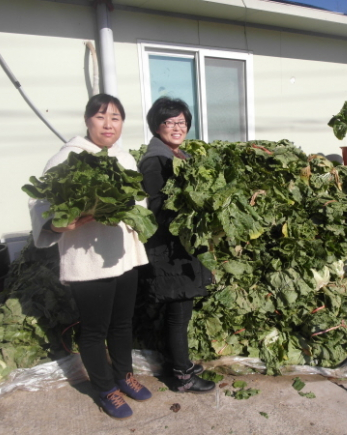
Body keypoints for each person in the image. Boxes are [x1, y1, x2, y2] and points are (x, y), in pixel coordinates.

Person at [29, 94, 152, 420]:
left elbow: (139, 201)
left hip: (124, 255)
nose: (108, 124)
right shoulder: (66, 158)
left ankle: (123, 375)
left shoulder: (124, 157)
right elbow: (40, 204)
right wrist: (57, 224)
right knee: (95, 329)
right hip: (87, 260)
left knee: (122, 323)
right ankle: (104, 387)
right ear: (87, 120)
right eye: (100, 117)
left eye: (115, 118)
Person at [138, 97, 215, 393]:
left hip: (181, 245)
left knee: (181, 311)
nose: (177, 127)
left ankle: (180, 364)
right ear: (157, 126)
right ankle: (183, 377)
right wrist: (191, 206)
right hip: (168, 248)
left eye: (181, 122)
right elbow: (157, 206)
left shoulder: (180, 155)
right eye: (169, 122)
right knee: (178, 313)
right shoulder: (154, 160)